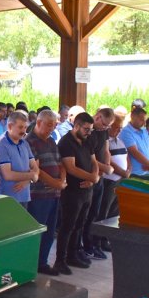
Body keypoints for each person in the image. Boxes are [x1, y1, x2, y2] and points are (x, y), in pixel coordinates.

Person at [55, 112, 100, 275]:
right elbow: (70, 167)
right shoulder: (66, 142)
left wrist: (94, 177)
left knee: (80, 224)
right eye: (86, 129)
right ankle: (60, 260)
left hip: (87, 189)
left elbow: (94, 161)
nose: (89, 132)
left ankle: (73, 254)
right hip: (72, 191)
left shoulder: (88, 140)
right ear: (77, 126)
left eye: (91, 129)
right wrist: (92, 178)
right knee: (67, 226)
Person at [25, 109, 67, 276]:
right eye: (49, 125)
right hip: (38, 195)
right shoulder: (29, 142)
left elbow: (60, 163)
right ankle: (31, 263)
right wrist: (56, 183)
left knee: (50, 230)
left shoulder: (51, 141)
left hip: (54, 193)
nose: (51, 128)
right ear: (39, 123)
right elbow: (38, 171)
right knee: (38, 230)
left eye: (54, 125)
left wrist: (62, 180)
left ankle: (42, 262)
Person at [80, 107, 114, 260]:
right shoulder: (89, 132)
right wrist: (102, 168)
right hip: (89, 176)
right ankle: (84, 246)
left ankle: (93, 244)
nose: (106, 128)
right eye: (105, 124)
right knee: (84, 215)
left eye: (108, 126)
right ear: (98, 117)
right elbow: (88, 156)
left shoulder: (104, 132)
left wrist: (105, 168)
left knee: (96, 213)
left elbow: (106, 150)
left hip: (100, 177)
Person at [0, 111, 39, 208]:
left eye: (25, 127)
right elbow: (8, 175)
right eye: (20, 127)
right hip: (8, 198)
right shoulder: (1, 145)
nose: (23, 131)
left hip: (24, 196)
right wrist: (31, 175)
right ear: (10, 126)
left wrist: (27, 180)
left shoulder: (24, 143)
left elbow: (35, 169)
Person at [120, 106, 149, 175]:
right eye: (141, 120)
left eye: (145, 121)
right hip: (136, 174)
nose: (144, 123)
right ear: (132, 116)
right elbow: (134, 152)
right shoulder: (126, 132)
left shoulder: (144, 131)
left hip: (148, 172)